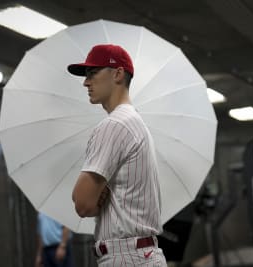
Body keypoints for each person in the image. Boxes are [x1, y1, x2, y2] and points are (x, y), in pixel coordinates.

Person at [68, 44, 167, 266]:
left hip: (126, 257)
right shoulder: (133, 121)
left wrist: (93, 196)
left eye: (93, 73)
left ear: (118, 74)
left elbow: (82, 203)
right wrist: (95, 195)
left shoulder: (115, 125)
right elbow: (90, 203)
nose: (85, 82)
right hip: (140, 255)